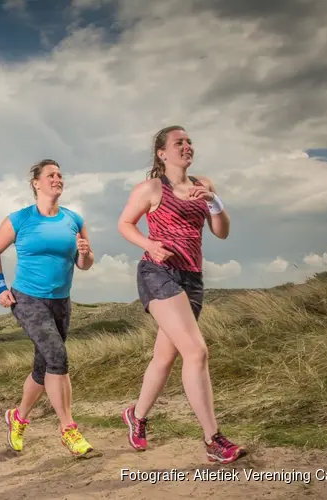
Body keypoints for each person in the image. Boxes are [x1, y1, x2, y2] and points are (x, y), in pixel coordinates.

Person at [116, 125, 246, 464]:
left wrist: (215, 202)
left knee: (165, 357)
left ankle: (136, 416)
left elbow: (222, 232)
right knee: (197, 352)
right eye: (179, 142)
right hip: (158, 272)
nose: (186, 146)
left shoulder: (204, 186)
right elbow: (125, 224)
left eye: (189, 141)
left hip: (192, 278)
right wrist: (149, 245)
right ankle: (212, 439)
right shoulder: (151, 188)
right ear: (162, 153)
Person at [0, 159, 98, 459]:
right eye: (51, 175)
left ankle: (18, 419)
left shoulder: (74, 219)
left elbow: (84, 264)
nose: (57, 178)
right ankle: (69, 429)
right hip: (27, 299)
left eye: (60, 174)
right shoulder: (20, 219)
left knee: (43, 367)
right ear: (36, 183)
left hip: (61, 301)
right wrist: (0, 287)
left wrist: (86, 255)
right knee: (58, 357)